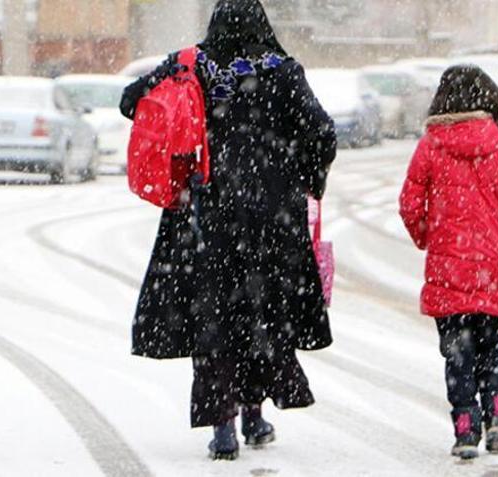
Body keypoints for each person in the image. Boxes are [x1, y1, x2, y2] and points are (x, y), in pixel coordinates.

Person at [119, 0, 337, 461]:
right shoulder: (282, 69)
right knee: (259, 312)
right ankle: (254, 415)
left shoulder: (189, 64)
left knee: (214, 317)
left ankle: (222, 427)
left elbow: (130, 101)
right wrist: (302, 177)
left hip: (206, 213)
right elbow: (321, 132)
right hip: (271, 220)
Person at [398, 65, 498, 460]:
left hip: (446, 265)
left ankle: (464, 424)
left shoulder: (430, 146)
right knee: (490, 342)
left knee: (457, 351)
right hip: (489, 267)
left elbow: (409, 204)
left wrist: (429, 236)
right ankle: (496, 410)